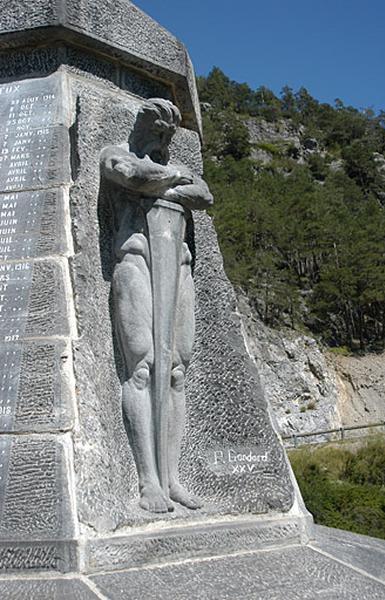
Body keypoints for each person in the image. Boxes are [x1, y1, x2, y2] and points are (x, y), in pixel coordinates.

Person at [100, 99, 213, 513]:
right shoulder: (116, 154)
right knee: (143, 367)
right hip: (136, 262)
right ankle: (148, 480)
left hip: (178, 268)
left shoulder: (177, 169)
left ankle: (173, 478)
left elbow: (203, 195)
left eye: (169, 136)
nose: (163, 142)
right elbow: (130, 174)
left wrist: (161, 180)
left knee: (177, 372)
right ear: (142, 129)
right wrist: (171, 177)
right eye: (158, 133)